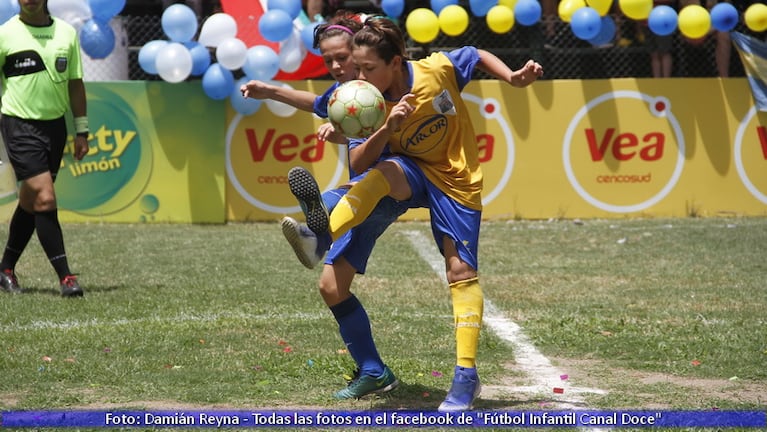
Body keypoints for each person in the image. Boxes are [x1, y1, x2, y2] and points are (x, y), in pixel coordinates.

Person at [283, 17, 543, 411]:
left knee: (460, 271)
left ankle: (466, 378)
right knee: (380, 177)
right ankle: (320, 235)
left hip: (455, 179)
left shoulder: (436, 70)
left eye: (369, 68)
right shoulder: (363, 100)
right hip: (406, 174)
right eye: (358, 68)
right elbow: (359, 160)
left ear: (395, 62)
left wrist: (513, 78)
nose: (360, 75)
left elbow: (476, 55)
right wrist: (387, 126)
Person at [241, 12, 415, 399]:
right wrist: (270, 91)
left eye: (343, 57)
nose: (337, 66)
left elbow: (361, 160)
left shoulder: (382, 85)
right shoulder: (347, 94)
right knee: (331, 287)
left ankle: (316, 232)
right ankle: (375, 371)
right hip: (367, 194)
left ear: (361, 51)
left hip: (388, 185)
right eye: (329, 59)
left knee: (347, 192)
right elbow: (316, 102)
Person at [0, 0, 89, 297]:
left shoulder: (66, 33)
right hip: (18, 125)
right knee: (45, 196)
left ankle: (5, 269)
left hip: (55, 128)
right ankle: (66, 278)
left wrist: (82, 130)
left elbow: (76, 84)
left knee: (32, 201)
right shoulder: (5, 34)